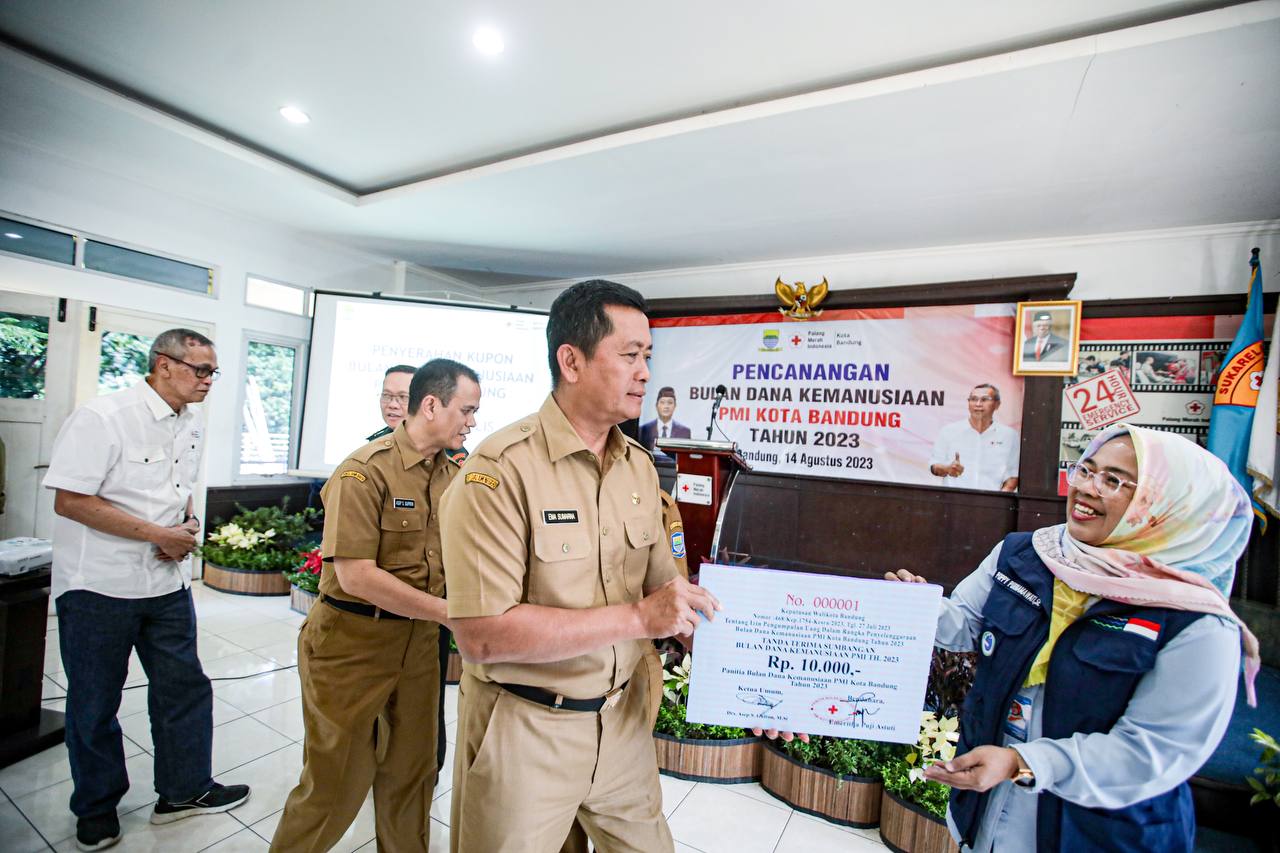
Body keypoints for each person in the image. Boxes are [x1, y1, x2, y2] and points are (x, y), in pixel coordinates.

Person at [440, 279, 719, 853]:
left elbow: (668, 594)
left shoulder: (639, 466)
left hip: (622, 727)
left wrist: (748, 675)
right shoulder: (498, 472)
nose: (645, 373)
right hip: (527, 733)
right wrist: (639, 619)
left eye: (648, 356)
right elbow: (482, 636)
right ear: (571, 361)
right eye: (630, 355)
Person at [888, 423, 1259, 852]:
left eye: (1113, 480)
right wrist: (916, 607)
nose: (1086, 488)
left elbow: (1151, 752)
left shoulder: (1197, 624)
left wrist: (1023, 763)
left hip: (1101, 835)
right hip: (986, 812)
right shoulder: (1023, 554)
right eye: (1085, 469)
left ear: (1165, 504)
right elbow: (967, 624)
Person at [43, 328, 249, 851]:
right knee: (94, 702)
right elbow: (70, 501)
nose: (209, 381)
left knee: (184, 688)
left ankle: (183, 791)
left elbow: (177, 489)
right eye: (201, 370)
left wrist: (186, 523)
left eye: (213, 372)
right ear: (164, 364)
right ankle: (96, 809)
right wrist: (157, 534)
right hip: (99, 586)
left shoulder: (191, 421)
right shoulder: (103, 417)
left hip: (165, 584)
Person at [272, 359, 481, 853]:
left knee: (413, 773)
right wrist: (448, 613)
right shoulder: (363, 472)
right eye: (466, 410)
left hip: (418, 644)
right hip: (352, 643)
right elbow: (357, 576)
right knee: (335, 781)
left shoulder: (455, 474)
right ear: (431, 405)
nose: (472, 422)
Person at [928, 384, 1020, 491]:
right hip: (953, 498)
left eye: (984, 399)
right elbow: (934, 466)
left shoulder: (1009, 435)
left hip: (992, 499)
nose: (978, 404)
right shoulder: (949, 431)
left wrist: (998, 499)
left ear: (997, 404)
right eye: (973, 399)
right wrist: (947, 469)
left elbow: (1012, 475)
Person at [368, 363, 416, 441]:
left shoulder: (435, 445)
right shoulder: (375, 443)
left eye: (403, 397)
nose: (392, 405)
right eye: (386, 395)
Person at [638, 386, 691, 453]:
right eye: (662, 402)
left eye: (670, 403)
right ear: (656, 405)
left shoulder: (684, 432)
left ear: (675, 406)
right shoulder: (644, 429)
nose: (666, 406)